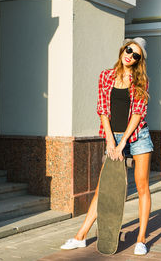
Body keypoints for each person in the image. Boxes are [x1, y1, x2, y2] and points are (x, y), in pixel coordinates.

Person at [60, 37, 153, 256]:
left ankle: (141, 239)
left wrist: (122, 144)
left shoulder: (141, 81)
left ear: (140, 60)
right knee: (103, 189)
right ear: (123, 49)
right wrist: (112, 142)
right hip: (114, 138)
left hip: (138, 136)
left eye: (136, 55)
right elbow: (102, 109)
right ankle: (81, 236)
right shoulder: (106, 76)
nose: (130, 55)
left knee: (141, 187)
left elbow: (138, 114)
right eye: (129, 50)